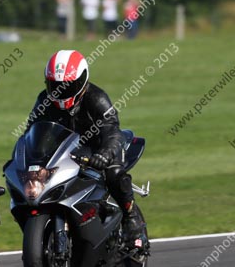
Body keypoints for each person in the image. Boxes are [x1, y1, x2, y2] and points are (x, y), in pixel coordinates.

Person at [24, 50, 147, 245]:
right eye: (55, 86)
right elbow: (31, 131)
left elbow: (112, 129)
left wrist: (105, 154)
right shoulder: (44, 101)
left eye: (67, 86)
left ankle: (131, 217)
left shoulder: (96, 98)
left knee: (114, 173)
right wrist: (27, 157)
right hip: (68, 151)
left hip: (100, 147)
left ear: (82, 81)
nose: (61, 92)